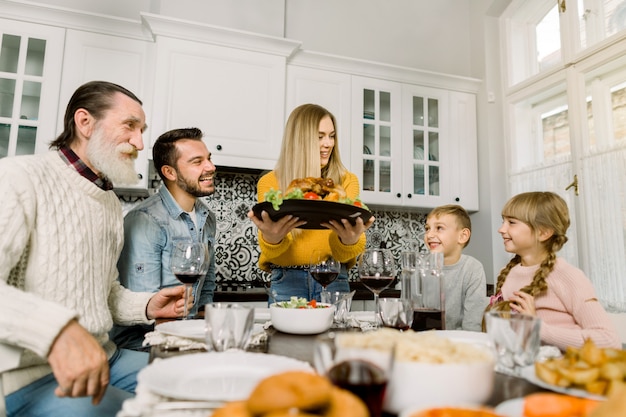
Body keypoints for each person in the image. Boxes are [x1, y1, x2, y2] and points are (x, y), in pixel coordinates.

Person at [0, 81, 190, 417]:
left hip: (106, 355)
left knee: (192, 384)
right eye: (130, 126)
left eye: (142, 129)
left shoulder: (109, 202)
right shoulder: (18, 177)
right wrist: (56, 330)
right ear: (84, 122)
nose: (139, 142)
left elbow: (105, 294)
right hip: (30, 376)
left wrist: (147, 305)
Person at [248, 103, 375, 302]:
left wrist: (349, 241)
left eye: (332, 136)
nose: (329, 143)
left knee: (335, 334)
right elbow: (275, 252)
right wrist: (272, 239)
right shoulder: (270, 183)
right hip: (286, 280)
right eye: (319, 136)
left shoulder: (346, 181)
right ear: (300, 140)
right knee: (285, 335)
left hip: (334, 277)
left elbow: (347, 250)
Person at [111, 127, 217, 351]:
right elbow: (145, 313)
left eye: (209, 159)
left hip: (185, 335)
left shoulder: (208, 218)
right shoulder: (146, 220)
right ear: (170, 172)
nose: (211, 167)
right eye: (198, 161)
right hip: (143, 344)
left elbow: (205, 289)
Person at [486, 191, 620, 350]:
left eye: (512, 222)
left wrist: (538, 328)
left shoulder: (567, 276)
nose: (501, 229)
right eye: (503, 221)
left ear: (543, 232)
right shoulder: (507, 273)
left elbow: (609, 341)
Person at [424, 204, 488, 331]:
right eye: (427, 228)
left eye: (439, 228)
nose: (429, 235)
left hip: (460, 341)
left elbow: (472, 324)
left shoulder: (473, 269)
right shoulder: (422, 266)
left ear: (462, 236)